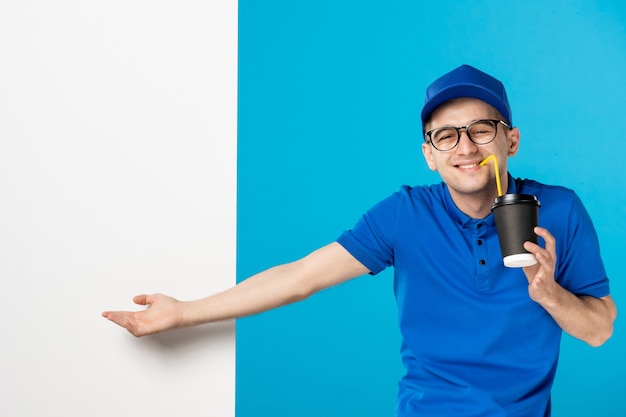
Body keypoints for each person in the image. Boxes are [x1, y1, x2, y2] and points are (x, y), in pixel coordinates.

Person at [103, 64, 617, 416]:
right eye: (446, 135)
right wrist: (185, 311)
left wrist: (549, 293)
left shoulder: (561, 210)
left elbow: (598, 331)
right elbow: (300, 278)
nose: (465, 147)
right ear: (429, 154)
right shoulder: (405, 215)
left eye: (482, 130)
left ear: (510, 140)